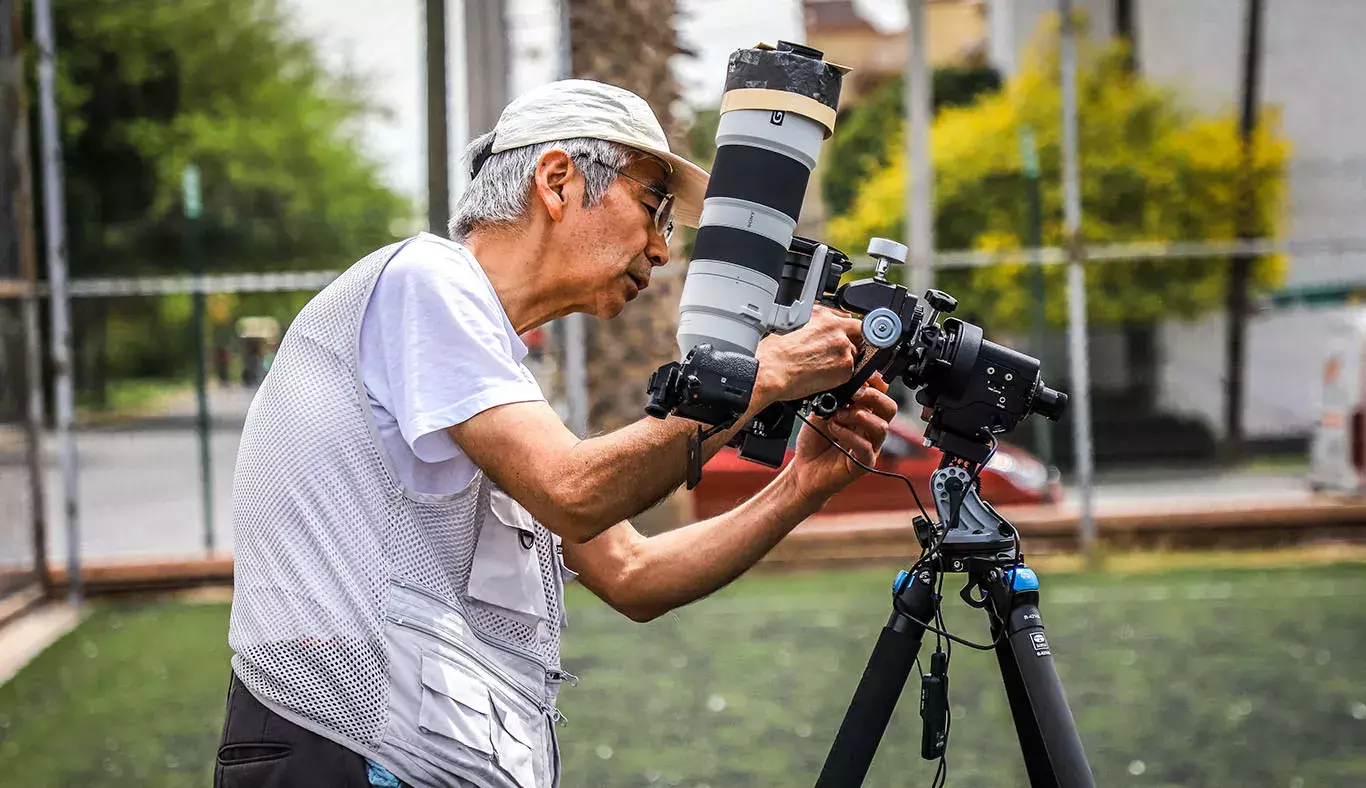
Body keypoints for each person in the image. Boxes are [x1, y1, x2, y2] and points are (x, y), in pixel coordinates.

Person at [215, 79, 898, 788]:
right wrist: (765, 375)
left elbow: (634, 575)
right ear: (558, 179)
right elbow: (572, 491)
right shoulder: (425, 280)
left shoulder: (483, 366)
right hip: (343, 753)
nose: (662, 250)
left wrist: (800, 485)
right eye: (653, 208)